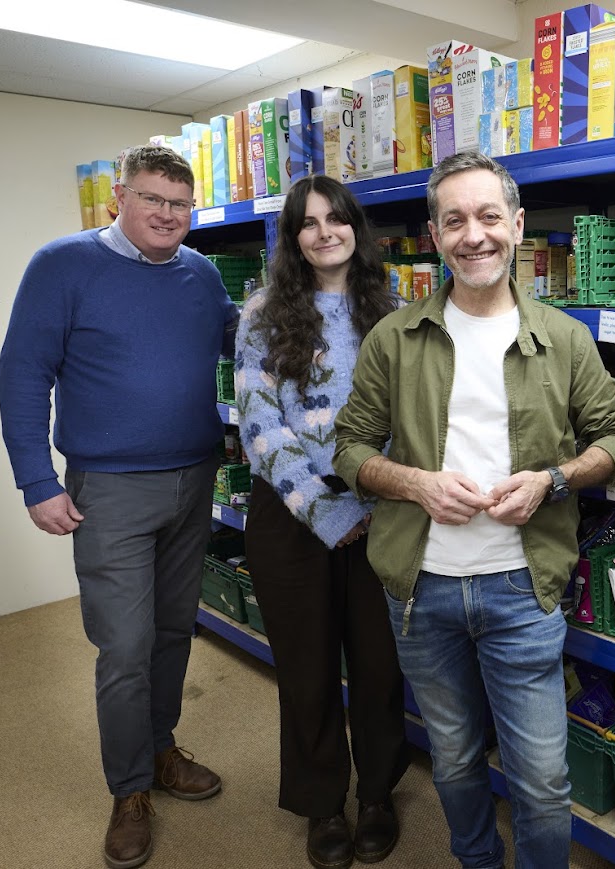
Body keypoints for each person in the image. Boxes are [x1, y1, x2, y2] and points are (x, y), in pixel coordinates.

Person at [332, 151, 615, 869]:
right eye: (454, 220)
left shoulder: (563, 338)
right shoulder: (394, 339)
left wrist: (552, 481)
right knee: (454, 758)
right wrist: (414, 483)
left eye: (487, 216)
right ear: (435, 236)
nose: (473, 235)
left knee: (541, 779)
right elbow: (348, 449)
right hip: (421, 591)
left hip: (519, 587)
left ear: (517, 225)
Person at [0, 145, 237, 869]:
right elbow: (20, 373)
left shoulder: (199, 272)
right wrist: (36, 479)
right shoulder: (62, 264)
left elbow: (238, 335)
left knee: (171, 631)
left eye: (179, 203)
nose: (166, 214)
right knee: (124, 646)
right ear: (118, 200)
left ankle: (161, 747)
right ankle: (129, 789)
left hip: (196, 478)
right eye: (151, 198)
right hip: (109, 488)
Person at [235, 174, 408, 869]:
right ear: (292, 237)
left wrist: (380, 492)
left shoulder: (391, 310)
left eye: (335, 218)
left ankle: (376, 795)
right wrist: (330, 509)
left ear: (355, 228)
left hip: (384, 512)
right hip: (290, 516)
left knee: (379, 665)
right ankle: (320, 805)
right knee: (306, 670)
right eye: (308, 223)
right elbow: (259, 425)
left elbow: (409, 416)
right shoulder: (262, 314)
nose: (323, 232)